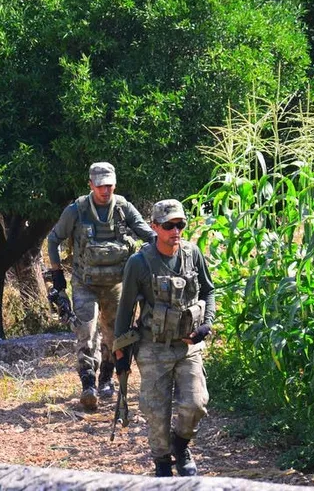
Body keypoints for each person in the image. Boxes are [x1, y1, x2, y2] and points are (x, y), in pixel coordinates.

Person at [113, 199, 215, 477]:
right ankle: (161, 463)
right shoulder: (139, 263)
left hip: (187, 347)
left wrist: (206, 324)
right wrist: (120, 354)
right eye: (169, 225)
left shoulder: (193, 254)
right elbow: (125, 311)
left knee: (196, 404)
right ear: (155, 227)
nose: (176, 230)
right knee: (156, 414)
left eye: (180, 225)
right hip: (152, 348)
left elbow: (208, 291)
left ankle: (180, 446)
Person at [46, 162, 155, 410]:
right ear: (91, 185)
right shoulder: (77, 210)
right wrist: (57, 275)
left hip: (117, 284)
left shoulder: (123, 207)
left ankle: (106, 378)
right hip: (85, 283)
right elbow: (53, 239)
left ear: (114, 184)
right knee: (86, 332)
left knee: (115, 334)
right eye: (100, 185)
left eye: (109, 185)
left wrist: (167, 249)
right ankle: (88, 384)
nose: (105, 190)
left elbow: (147, 233)